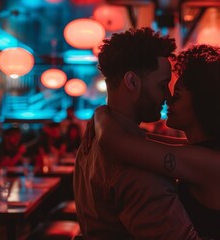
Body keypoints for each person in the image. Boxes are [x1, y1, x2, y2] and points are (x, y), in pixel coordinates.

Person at [94, 44, 220, 239]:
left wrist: (100, 113)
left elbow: (115, 141)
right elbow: (139, 139)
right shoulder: (202, 153)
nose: (168, 99)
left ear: (202, 104)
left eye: (177, 95)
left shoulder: (214, 163)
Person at [74, 28, 201, 240]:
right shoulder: (138, 166)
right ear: (132, 81)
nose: (168, 96)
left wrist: (100, 113)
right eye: (162, 85)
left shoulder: (96, 136)